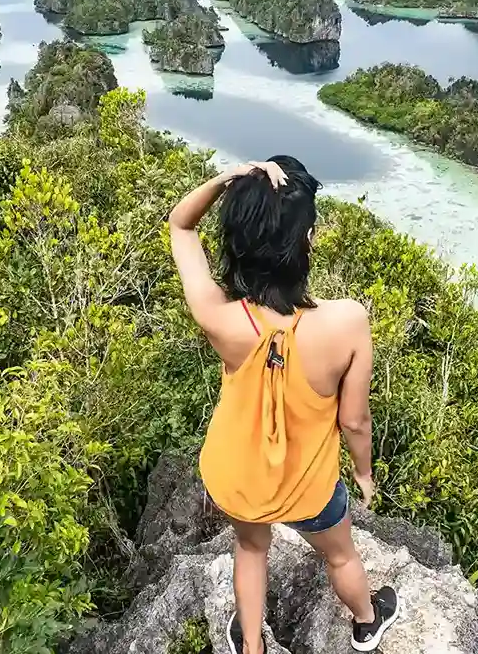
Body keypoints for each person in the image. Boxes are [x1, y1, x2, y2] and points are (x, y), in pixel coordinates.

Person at [169, 156, 399, 654]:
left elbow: (181, 225)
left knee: (251, 549)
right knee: (339, 556)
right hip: (309, 486)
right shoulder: (347, 323)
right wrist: (363, 473)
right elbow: (355, 421)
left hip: (240, 477)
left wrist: (227, 179)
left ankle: (253, 646)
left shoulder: (224, 321)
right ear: (307, 240)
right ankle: (366, 621)